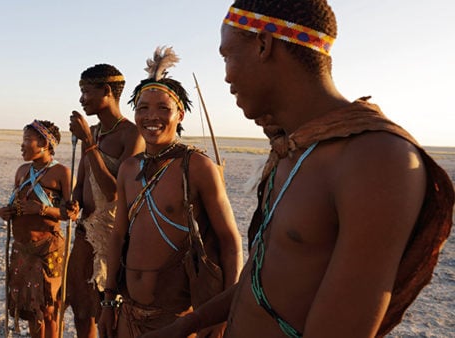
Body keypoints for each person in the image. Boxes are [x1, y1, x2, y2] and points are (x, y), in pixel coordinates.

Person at [142, 1, 455, 337]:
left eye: (227, 56)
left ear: (264, 44)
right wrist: (187, 324)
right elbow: (264, 279)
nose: (227, 75)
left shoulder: (375, 159)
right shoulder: (292, 149)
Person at [98, 46, 243, 338]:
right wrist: (108, 301)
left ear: (180, 114)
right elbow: (117, 236)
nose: (152, 117)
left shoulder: (197, 166)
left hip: (178, 320)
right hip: (127, 309)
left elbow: (230, 241)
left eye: (164, 108)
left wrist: (226, 312)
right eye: (143, 108)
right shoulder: (129, 168)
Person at [67, 64, 145, 338]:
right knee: (81, 311)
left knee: (108, 317)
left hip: (112, 240)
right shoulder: (96, 132)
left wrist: (88, 142)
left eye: (86, 92)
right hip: (83, 236)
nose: (81, 99)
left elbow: (114, 193)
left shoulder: (132, 135)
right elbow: (82, 180)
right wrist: (73, 203)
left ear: (107, 91)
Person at [0, 120, 79, 338]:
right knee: (31, 310)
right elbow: (15, 204)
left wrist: (42, 209)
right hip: (23, 249)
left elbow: (71, 213)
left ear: (43, 142)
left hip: (48, 249)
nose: (22, 146)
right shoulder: (22, 171)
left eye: (26, 140)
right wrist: (5, 212)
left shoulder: (62, 172)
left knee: (48, 308)